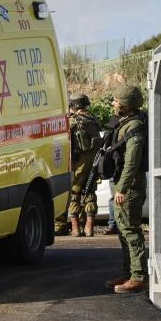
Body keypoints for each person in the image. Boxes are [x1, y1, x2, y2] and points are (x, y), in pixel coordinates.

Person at [103, 84, 149, 294]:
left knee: (131, 231)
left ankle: (139, 276)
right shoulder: (124, 123)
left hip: (129, 186)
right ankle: (129, 272)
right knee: (123, 230)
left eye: (116, 100)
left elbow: (132, 161)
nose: (113, 103)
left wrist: (122, 188)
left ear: (126, 104)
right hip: (121, 184)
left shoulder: (134, 126)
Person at [67, 93, 102, 237]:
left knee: (74, 193)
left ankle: (75, 229)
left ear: (74, 106)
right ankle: (89, 228)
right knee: (90, 193)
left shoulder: (72, 122)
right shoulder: (93, 120)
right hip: (93, 162)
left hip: (78, 164)